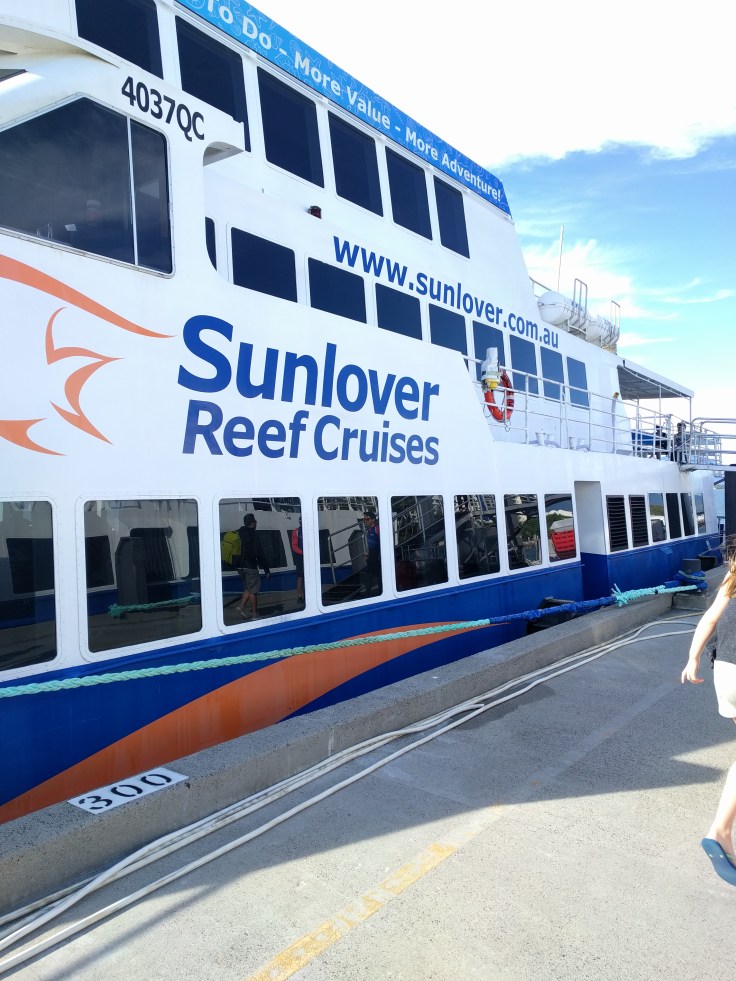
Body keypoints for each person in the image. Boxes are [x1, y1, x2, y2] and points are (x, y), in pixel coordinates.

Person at [681, 549, 736, 884]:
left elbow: (710, 618)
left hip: (726, 671)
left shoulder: (734, 575)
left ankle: (722, 831)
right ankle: (720, 830)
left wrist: (693, 658)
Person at [237, 513, 270, 619]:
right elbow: (259, 553)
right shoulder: (253, 535)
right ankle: (254, 614)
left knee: (248, 587)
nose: (256, 523)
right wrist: (266, 569)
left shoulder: (239, 532)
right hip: (250, 566)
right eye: (255, 521)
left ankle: (242, 606)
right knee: (253, 591)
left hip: (240, 567)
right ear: (252, 523)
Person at [362, 510, 381, 594]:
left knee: (378, 574)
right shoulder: (368, 530)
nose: (365, 521)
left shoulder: (377, 528)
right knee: (369, 574)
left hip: (377, 553)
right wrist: (367, 554)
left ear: (373, 519)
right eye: (364, 519)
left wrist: (381, 554)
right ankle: (368, 592)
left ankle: (379, 591)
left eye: (367, 519)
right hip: (371, 553)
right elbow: (369, 544)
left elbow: (382, 541)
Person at [290, 517, 304, 605]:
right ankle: (299, 596)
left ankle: (307, 595)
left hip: (308, 557)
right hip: (300, 558)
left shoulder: (310, 530)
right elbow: (294, 546)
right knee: (300, 577)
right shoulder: (296, 531)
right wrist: (303, 553)